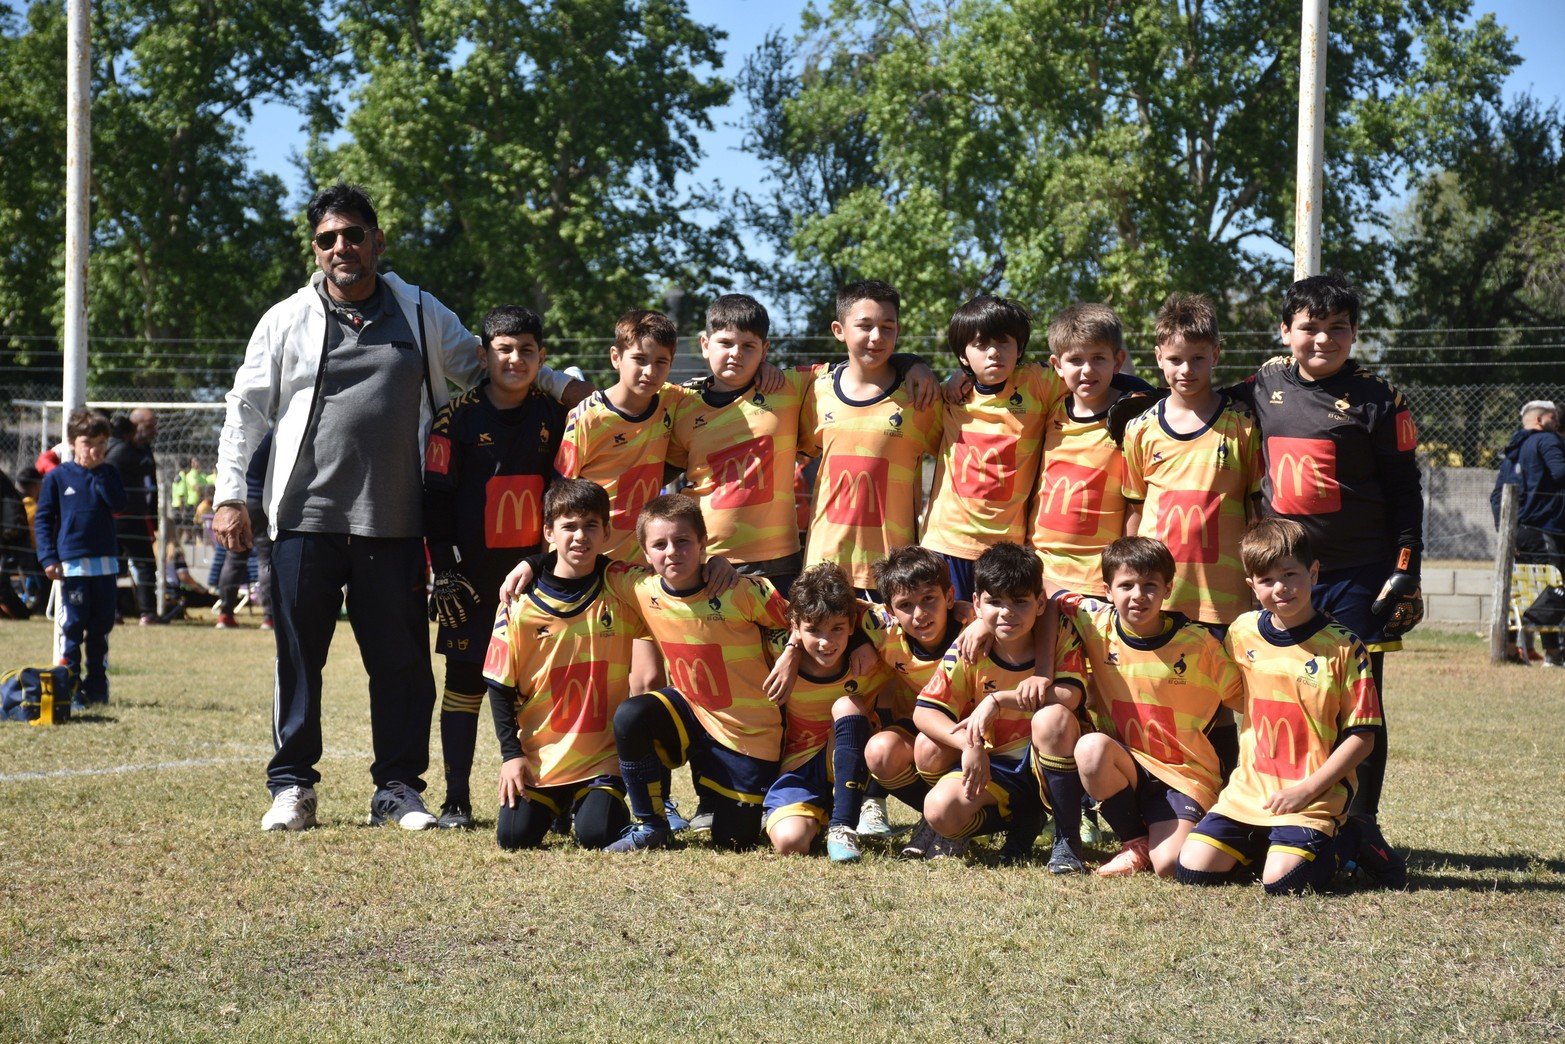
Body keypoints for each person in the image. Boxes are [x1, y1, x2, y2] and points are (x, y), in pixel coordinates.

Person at [213, 182, 587, 833]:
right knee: (300, 659)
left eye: (353, 234)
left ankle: (396, 789)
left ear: (377, 241)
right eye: (328, 238)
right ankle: (293, 786)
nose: (342, 248)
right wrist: (228, 496)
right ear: (315, 248)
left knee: (402, 665)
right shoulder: (285, 319)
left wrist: (560, 386)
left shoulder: (417, 311)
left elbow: (487, 361)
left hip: (394, 524)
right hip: (303, 520)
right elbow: (245, 409)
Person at [1232, 273, 1422, 887]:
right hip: (1287, 575)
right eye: (1310, 327)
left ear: (1354, 333)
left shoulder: (1378, 396)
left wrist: (1406, 567)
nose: (1323, 339)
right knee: (1282, 694)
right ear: (1286, 331)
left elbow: (1405, 491)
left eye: (1337, 327)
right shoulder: (1263, 383)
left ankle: (1361, 824)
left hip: (1358, 575)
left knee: (1362, 704)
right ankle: (1277, 818)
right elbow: (1193, 390)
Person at [1177, 519, 1381, 894]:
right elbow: (1231, 693)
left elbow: (1363, 737)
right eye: (1267, 580)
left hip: (1314, 793)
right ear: (1251, 585)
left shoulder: (1345, 647)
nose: (1281, 588)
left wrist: (1305, 790)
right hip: (1250, 789)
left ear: (1313, 573)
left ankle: (1351, 836)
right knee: (1193, 871)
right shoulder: (1242, 631)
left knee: (1283, 884)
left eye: (1290, 574)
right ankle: (1267, 841)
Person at [424, 305, 568, 830]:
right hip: (471, 580)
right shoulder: (454, 417)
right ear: (484, 355)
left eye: (527, 349)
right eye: (504, 349)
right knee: (463, 685)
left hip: (537, 577)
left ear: (541, 356)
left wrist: (545, 561)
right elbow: (435, 499)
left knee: (538, 686)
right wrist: (444, 568)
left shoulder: (556, 417)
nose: (516, 359)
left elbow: (564, 500)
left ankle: (552, 798)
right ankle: (455, 800)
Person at [598, 494, 793, 852]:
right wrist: (531, 564)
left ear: (703, 543)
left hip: (746, 732)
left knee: (733, 841)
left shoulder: (741, 590)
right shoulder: (641, 587)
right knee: (632, 714)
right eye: (659, 544)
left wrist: (791, 653)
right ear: (644, 552)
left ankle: (764, 802)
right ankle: (651, 825)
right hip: (690, 715)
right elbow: (586, 563)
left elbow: (801, 621)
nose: (672, 551)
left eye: (683, 541)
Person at [1119, 293, 1258, 777]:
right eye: (1175, 359)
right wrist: (1126, 578)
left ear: (1216, 354)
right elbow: (1134, 511)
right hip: (1163, 593)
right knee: (1164, 696)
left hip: (1223, 597)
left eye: (1198, 358)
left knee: (1220, 704)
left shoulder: (1241, 426)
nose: (1186, 369)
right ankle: (1165, 800)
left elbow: (1256, 509)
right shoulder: (1140, 430)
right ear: (1158, 357)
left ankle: (1224, 809)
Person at [1053, 537, 1243, 877]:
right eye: (1126, 585)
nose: (1138, 596)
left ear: (1168, 588)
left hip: (1183, 776)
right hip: (1126, 764)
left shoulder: (1199, 644)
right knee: (1091, 748)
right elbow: (1045, 590)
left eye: (1150, 585)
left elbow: (1246, 700)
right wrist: (976, 618)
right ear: (1107, 591)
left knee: (1170, 865)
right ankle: (1134, 840)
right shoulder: (1096, 622)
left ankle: (1190, 825)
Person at [482, 480, 642, 850]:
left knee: (596, 835)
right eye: (568, 526)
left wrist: (714, 563)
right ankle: (558, 805)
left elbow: (672, 586)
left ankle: (598, 800)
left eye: (590, 526)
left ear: (607, 532)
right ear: (549, 532)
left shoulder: (621, 586)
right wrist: (511, 756)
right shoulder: (518, 601)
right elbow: (499, 684)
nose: (580, 536)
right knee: (513, 838)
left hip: (601, 758)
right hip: (541, 757)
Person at [917, 542, 1087, 863]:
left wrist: (997, 700)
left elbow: (1069, 695)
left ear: (1039, 604)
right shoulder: (971, 644)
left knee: (1051, 719)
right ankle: (1020, 822)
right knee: (937, 796)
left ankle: (1067, 838)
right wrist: (970, 746)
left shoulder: (1061, 630)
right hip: (996, 765)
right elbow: (926, 711)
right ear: (977, 604)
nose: (1007, 612)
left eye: (1020, 602)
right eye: (995, 602)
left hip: (1048, 757)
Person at [797, 280, 941, 600]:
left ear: (898, 331)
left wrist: (916, 363)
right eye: (864, 326)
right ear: (838, 329)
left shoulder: (920, 396)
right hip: (825, 566)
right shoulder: (814, 391)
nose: (876, 337)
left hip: (894, 572)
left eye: (887, 327)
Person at [922, 296, 1066, 601]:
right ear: (963, 355)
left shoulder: (1038, 384)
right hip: (947, 543)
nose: (993, 352)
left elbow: (1091, 374)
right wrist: (917, 366)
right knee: (951, 638)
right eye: (981, 344)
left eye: (1004, 342)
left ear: (1019, 349)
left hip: (1005, 552)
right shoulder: (949, 398)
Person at [762, 564, 892, 862]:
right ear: (795, 624)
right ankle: (819, 814)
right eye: (813, 630)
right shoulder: (775, 650)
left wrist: (964, 610)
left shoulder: (875, 650)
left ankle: (842, 826)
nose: (826, 642)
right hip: (801, 766)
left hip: (854, 758)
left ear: (851, 623)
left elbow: (903, 617)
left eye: (837, 628)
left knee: (848, 704)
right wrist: (793, 646)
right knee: (790, 843)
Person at [1029, 303, 1151, 597]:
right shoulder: (1049, 409)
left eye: (1098, 358)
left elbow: (1137, 500)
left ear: (1118, 361)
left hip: (1097, 580)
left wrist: (1127, 567)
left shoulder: (1134, 418)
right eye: (1075, 360)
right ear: (1057, 365)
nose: (1087, 370)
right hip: (1041, 574)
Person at [860, 545, 969, 858]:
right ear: (890, 612)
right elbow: (835, 608)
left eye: (929, 599)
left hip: (974, 734)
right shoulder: (884, 630)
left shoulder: (972, 629)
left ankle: (954, 821)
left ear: (949, 597)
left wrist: (979, 621)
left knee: (929, 747)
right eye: (905, 605)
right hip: (919, 726)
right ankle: (935, 818)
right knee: (880, 752)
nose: (919, 614)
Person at [34, 410, 127, 707]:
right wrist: (48, 557)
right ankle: (69, 688)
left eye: (102, 443)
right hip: (73, 566)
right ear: (73, 442)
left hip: (105, 564)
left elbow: (119, 505)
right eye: (88, 442)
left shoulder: (109, 473)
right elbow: (44, 519)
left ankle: (97, 686)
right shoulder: (58, 478)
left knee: (100, 628)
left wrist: (100, 480)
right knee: (73, 627)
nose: (95, 449)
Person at [1494, 400, 1565, 665]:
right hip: (1545, 529)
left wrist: (1506, 534)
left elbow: (1496, 495)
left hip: (1519, 531)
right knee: (1554, 587)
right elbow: (1560, 473)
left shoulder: (1513, 449)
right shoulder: (1547, 440)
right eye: (1552, 417)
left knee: (1528, 590)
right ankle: (1550, 650)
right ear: (1539, 420)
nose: (1556, 421)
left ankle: (1517, 649)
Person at [104, 406, 160, 625]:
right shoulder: (122, 451)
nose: (153, 431)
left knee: (133, 564)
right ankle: (142, 612)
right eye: (149, 426)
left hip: (135, 515)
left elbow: (150, 484)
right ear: (134, 426)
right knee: (137, 563)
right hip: (124, 517)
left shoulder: (140, 449)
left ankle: (137, 611)